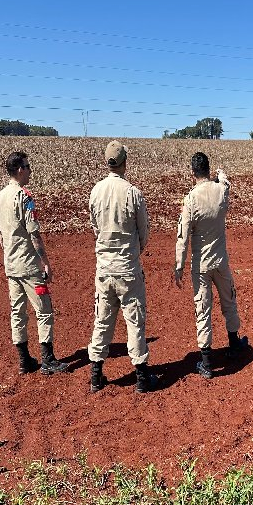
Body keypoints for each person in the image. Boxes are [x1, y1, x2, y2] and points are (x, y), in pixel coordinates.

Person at [87, 140, 156, 393]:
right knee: (135, 321)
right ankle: (141, 377)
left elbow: (95, 229)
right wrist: (134, 250)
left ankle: (96, 375)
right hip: (128, 268)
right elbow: (144, 232)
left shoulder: (96, 191)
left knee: (102, 321)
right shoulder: (133, 193)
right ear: (125, 162)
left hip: (104, 268)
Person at [174, 152, 249, 379]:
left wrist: (179, 265)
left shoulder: (191, 199)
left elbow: (183, 235)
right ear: (209, 169)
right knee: (229, 301)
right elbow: (226, 182)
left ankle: (206, 361)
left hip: (201, 264)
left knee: (203, 308)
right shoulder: (221, 191)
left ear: (192, 173)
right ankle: (234, 343)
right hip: (221, 261)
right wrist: (221, 174)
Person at [0, 151, 68, 376]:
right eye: (27, 166)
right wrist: (45, 262)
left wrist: (9, 255)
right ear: (19, 170)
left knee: (18, 311)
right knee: (43, 310)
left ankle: (24, 360)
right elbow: (34, 233)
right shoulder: (23, 197)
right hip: (29, 266)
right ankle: (48, 360)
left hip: (11, 266)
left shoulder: (0, 197)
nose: (29, 170)